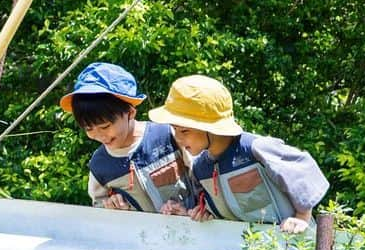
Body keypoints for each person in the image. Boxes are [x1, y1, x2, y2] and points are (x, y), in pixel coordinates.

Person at [148, 75, 329, 234]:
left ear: (209, 127)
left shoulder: (255, 149)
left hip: (290, 245)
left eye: (185, 131)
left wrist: (302, 217)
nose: (178, 138)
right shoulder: (200, 168)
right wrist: (202, 211)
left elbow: (304, 171)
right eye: (174, 130)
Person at [60, 62, 188, 213]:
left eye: (105, 126)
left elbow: (201, 178)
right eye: (89, 129)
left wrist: (189, 209)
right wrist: (111, 207)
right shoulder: (99, 164)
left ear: (130, 112)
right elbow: (99, 207)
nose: (99, 135)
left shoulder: (167, 135)